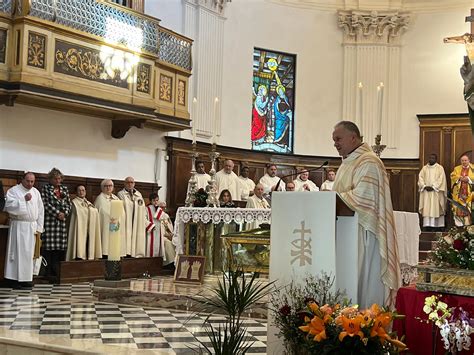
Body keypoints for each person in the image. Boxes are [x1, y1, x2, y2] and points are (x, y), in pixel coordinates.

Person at [332, 121, 401, 308]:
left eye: (338, 139)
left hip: (364, 232)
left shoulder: (369, 161)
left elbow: (364, 198)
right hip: (347, 231)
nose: (335, 144)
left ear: (353, 137)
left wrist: (331, 198)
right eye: (334, 140)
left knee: (363, 281)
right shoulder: (348, 162)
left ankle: (364, 326)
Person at [4, 172, 44, 288]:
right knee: (17, 254)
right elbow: (8, 206)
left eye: (32, 181)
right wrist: (23, 200)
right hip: (19, 226)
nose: (30, 184)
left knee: (29, 254)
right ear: (22, 179)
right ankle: (14, 279)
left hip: (31, 227)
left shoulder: (36, 192)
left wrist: (39, 228)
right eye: (28, 181)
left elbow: (41, 211)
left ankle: (26, 279)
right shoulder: (14, 191)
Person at [41, 168, 71, 282]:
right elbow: (45, 203)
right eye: (55, 178)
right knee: (49, 249)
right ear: (51, 179)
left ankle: (56, 272)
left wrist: (65, 213)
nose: (58, 180)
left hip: (61, 223)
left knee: (59, 249)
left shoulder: (64, 189)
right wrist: (57, 213)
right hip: (50, 222)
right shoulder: (46, 188)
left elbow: (69, 204)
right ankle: (47, 273)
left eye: (59, 178)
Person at [67, 185, 101, 261]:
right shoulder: (74, 203)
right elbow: (76, 216)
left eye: (83, 190)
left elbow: (94, 212)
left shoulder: (89, 203)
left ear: (85, 192)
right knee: (79, 244)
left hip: (89, 229)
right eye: (79, 190)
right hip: (79, 230)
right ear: (76, 192)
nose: (81, 192)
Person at [94, 179, 126, 258]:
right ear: (102, 187)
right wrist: (111, 217)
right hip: (106, 227)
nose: (108, 188)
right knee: (106, 248)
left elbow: (122, 212)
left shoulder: (116, 198)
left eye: (110, 186)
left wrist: (118, 217)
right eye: (106, 186)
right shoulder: (100, 199)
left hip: (116, 226)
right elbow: (102, 213)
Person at [117, 177, 146, 257]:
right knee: (127, 237)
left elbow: (142, 208)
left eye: (131, 182)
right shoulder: (121, 194)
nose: (130, 184)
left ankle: (136, 253)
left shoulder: (138, 194)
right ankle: (127, 254)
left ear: (134, 184)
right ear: (124, 183)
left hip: (137, 220)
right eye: (128, 182)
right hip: (127, 220)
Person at [418, 154, 447, 230]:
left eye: (433, 158)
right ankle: (427, 225)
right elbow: (420, 177)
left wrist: (434, 187)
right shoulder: (424, 168)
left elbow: (441, 179)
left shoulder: (440, 168)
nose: (431, 159)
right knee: (427, 207)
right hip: (427, 191)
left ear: (436, 159)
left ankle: (438, 226)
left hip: (436, 192)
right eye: (430, 158)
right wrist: (424, 186)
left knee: (436, 207)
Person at [145, 194, 175, 266]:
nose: (155, 202)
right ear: (150, 201)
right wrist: (150, 225)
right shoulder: (146, 209)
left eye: (157, 200)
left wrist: (170, 233)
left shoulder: (160, 211)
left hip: (159, 234)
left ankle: (165, 263)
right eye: (154, 200)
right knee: (151, 248)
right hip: (151, 232)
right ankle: (150, 264)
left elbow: (165, 221)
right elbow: (143, 219)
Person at [450, 155, 474, 226]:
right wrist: (460, 178)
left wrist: (468, 179)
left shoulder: (473, 168)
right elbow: (452, 176)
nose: (464, 162)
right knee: (458, 209)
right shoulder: (457, 169)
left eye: (465, 160)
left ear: (469, 161)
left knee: (468, 210)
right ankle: (459, 227)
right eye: (462, 160)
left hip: (469, 194)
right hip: (459, 194)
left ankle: (468, 227)